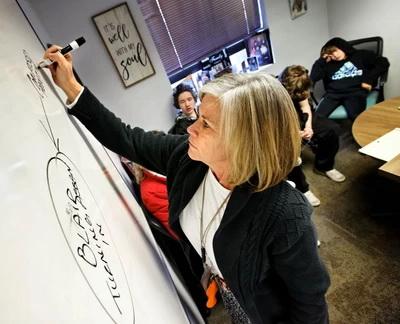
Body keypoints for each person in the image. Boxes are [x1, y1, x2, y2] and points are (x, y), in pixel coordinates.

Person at [44, 45, 331, 324]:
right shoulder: (187, 157)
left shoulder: (286, 213)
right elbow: (126, 138)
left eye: (206, 124)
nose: (191, 128)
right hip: (231, 293)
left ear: (242, 141)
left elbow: (309, 303)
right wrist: (71, 86)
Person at [280, 65, 346, 202]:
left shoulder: (301, 85)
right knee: (288, 151)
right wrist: (293, 133)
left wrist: (309, 126)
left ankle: (324, 166)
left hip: (300, 116)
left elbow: (305, 107)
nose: (301, 94)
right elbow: (270, 123)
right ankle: (302, 188)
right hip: (280, 123)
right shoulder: (273, 94)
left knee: (330, 129)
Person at [310, 37, 389, 120]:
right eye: (331, 55)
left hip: (355, 92)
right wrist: (321, 61)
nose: (334, 55)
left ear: (342, 47)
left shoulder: (361, 55)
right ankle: (332, 131)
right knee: (317, 118)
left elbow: (383, 62)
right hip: (333, 94)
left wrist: (369, 79)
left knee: (357, 119)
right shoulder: (327, 63)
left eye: (335, 51)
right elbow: (314, 77)